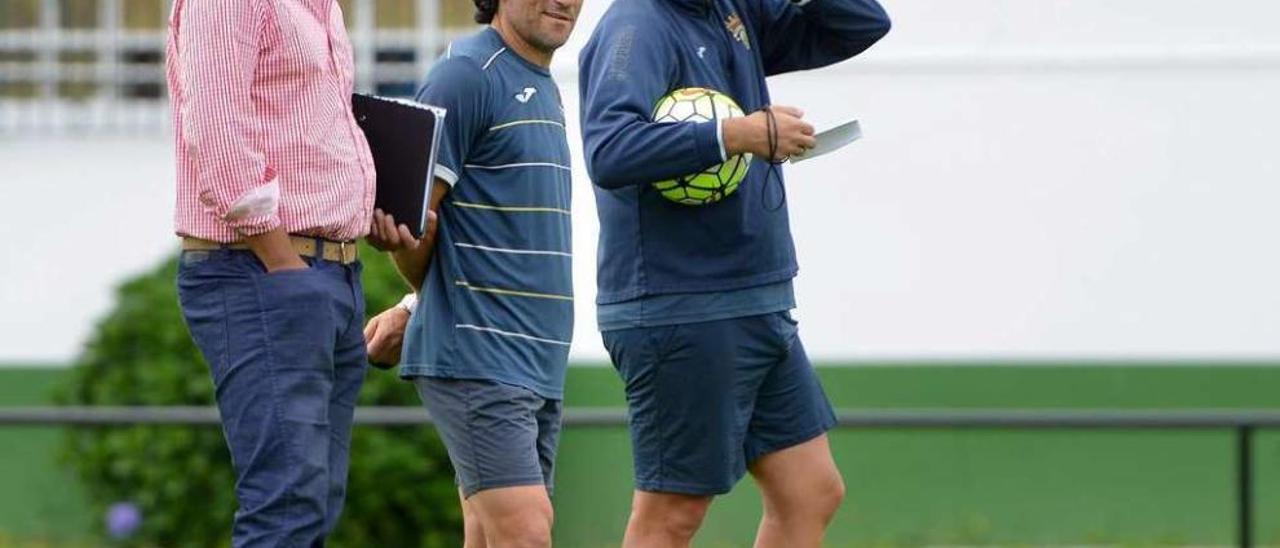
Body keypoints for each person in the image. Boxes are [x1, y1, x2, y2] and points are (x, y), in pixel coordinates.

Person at [577, 0, 890, 545]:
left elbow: (860, 22)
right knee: (672, 516)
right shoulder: (637, 24)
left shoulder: (731, 8)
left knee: (811, 491)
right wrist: (735, 134)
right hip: (683, 306)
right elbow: (609, 149)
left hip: (756, 295)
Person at [362, 0, 581, 545]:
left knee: (489, 535)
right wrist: (430, 305)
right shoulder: (465, 76)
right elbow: (415, 225)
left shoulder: (541, 82)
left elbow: (487, 237)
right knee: (526, 534)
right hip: (479, 358)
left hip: (536, 361)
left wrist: (412, 307)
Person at [167, 0, 377, 545]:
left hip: (327, 273)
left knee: (312, 504)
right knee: (287, 506)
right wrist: (285, 263)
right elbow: (216, 131)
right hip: (263, 270)